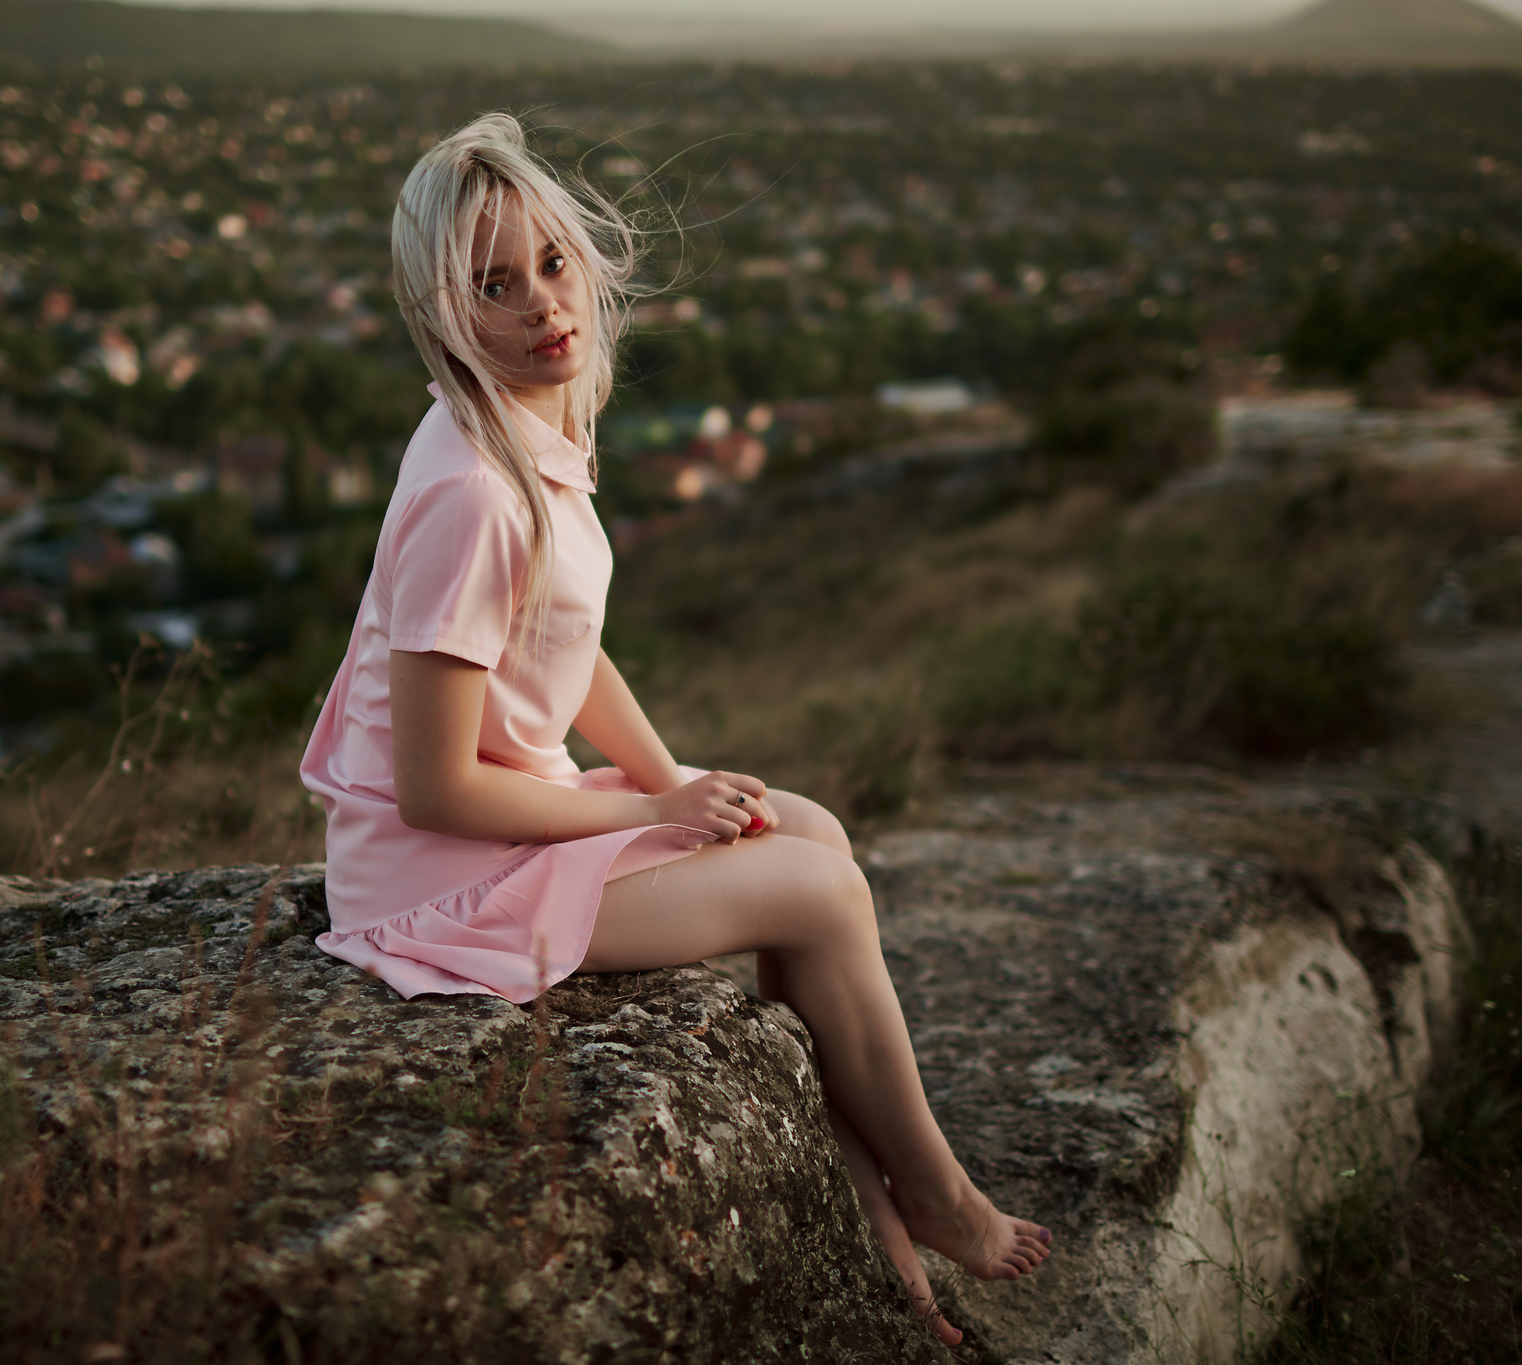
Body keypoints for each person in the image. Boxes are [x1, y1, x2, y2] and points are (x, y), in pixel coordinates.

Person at [299, 113, 1047, 1341]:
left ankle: (852, 1168)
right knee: (819, 893)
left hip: (511, 817)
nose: (545, 305)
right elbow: (432, 790)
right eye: (493, 285)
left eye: (551, 263)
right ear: (440, 312)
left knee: (804, 826)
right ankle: (933, 1192)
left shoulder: (519, 430)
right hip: (436, 881)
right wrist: (652, 811)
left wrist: (673, 784)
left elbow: (560, 646)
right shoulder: (472, 496)